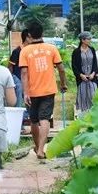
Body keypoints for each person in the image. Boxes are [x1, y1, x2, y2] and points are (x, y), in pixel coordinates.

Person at [19, 21, 68, 159]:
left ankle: (37, 147)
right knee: (45, 118)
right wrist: (63, 83)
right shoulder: (51, 49)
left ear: (29, 35)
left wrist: (25, 92)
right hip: (48, 90)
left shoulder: (25, 51)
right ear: (43, 33)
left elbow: (23, 73)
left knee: (34, 121)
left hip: (32, 92)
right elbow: (61, 69)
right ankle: (41, 149)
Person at [71, 32, 98, 115]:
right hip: (82, 79)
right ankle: (84, 117)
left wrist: (93, 73)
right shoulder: (76, 52)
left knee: (93, 96)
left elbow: (95, 63)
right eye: (88, 39)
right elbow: (74, 66)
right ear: (82, 40)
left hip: (92, 78)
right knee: (83, 97)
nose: (90, 40)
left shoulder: (92, 49)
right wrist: (81, 75)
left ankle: (94, 116)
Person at [8, 29, 30, 107]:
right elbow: (10, 66)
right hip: (17, 77)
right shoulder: (17, 51)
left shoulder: (30, 51)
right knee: (20, 87)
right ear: (27, 38)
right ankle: (17, 110)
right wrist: (11, 79)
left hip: (27, 78)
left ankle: (29, 114)